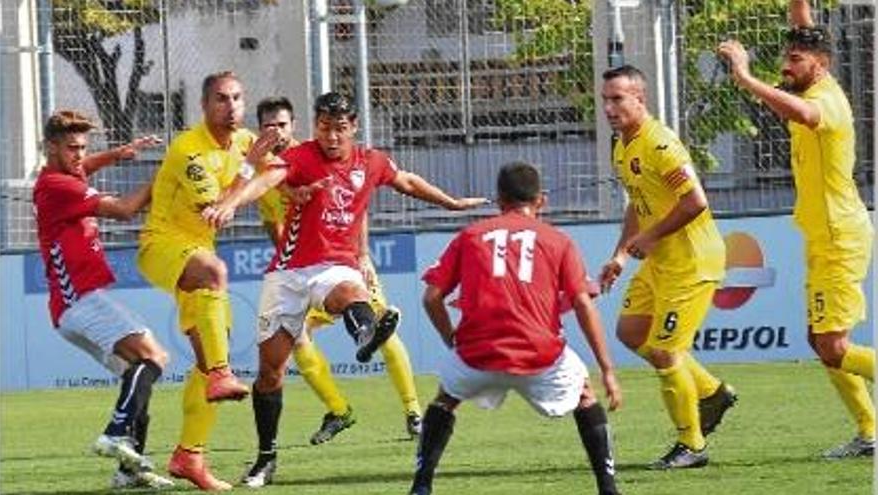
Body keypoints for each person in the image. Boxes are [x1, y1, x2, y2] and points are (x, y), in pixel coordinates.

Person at [202, 91, 486, 488]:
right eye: (324, 127)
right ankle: (266, 458)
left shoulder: (370, 161)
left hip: (335, 264)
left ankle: (367, 334)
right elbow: (268, 178)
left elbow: (405, 180)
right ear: (315, 126)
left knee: (350, 293)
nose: (331, 137)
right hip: (287, 274)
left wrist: (450, 203)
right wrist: (232, 203)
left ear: (353, 128)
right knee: (270, 373)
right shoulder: (302, 157)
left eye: (339, 129)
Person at [719, 0, 874, 459]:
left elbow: (802, 115)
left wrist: (747, 78)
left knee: (832, 345)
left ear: (819, 66)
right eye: (784, 59)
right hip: (824, 236)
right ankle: (870, 431)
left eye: (794, 61)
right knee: (821, 341)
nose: (785, 66)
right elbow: (807, 32)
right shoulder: (816, 71)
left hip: (840, 238)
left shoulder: (824, 101)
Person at [410, 162, 622, 495]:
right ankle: (608, 488)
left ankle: (421, 485)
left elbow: (431, 297)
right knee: (585, 395)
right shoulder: (558, 241)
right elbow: (583, 304)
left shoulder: (470, 236)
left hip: (476, 356)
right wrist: (608, 369)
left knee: (445, 398)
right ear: (542, 200)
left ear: (498, 200)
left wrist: (451, 340)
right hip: (540, 357)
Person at [253, 96, 424, 449]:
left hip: (342, 262)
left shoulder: (315, 154)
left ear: (296, 125)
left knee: (377, 327)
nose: (277, 132)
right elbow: (274, 224)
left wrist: (362, 254)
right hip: (297, 271)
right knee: (298, 344)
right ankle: (338, 409)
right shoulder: (265, 168)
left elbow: (352, 203)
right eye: (269, 126)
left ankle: (413, 411)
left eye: (282, 125)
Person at [136, 70, 279, 490]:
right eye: (221, 98)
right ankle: (222, 372)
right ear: (204, 105)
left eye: (237, 97)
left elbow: (278, 173)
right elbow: (216, 208)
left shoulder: (244, 141)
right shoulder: (187, 149)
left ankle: (189, 456)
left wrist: (262, 179)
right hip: (162, 244)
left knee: (205, 350)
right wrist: (250, 173)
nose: (231, 105)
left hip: (198, 250)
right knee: (216, 274)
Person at [598, 65, 735, 469]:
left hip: (692, 262)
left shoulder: (661, 144)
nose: (609, 107)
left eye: (617, 98)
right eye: (605, 99)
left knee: (664, 350)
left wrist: (652, 237)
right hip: (661, 262)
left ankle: (692, 446)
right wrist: (621, 254)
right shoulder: (621, 145)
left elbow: (695, 202)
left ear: (640, 99)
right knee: (631, 332)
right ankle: (711, 392)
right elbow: (638, 204)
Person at [33, 110, 173, 489]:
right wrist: (163, 174)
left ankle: (129, 473)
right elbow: (126, 210)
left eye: (83, 148)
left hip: (72, 307)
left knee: (138, 377)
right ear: (50, 148)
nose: (79, 156)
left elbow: (86, 165)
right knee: (154, 357)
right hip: (79, 300)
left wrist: (117, 153)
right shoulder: (58, 186)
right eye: (71, 148)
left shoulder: (66, 174)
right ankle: (113, 434)